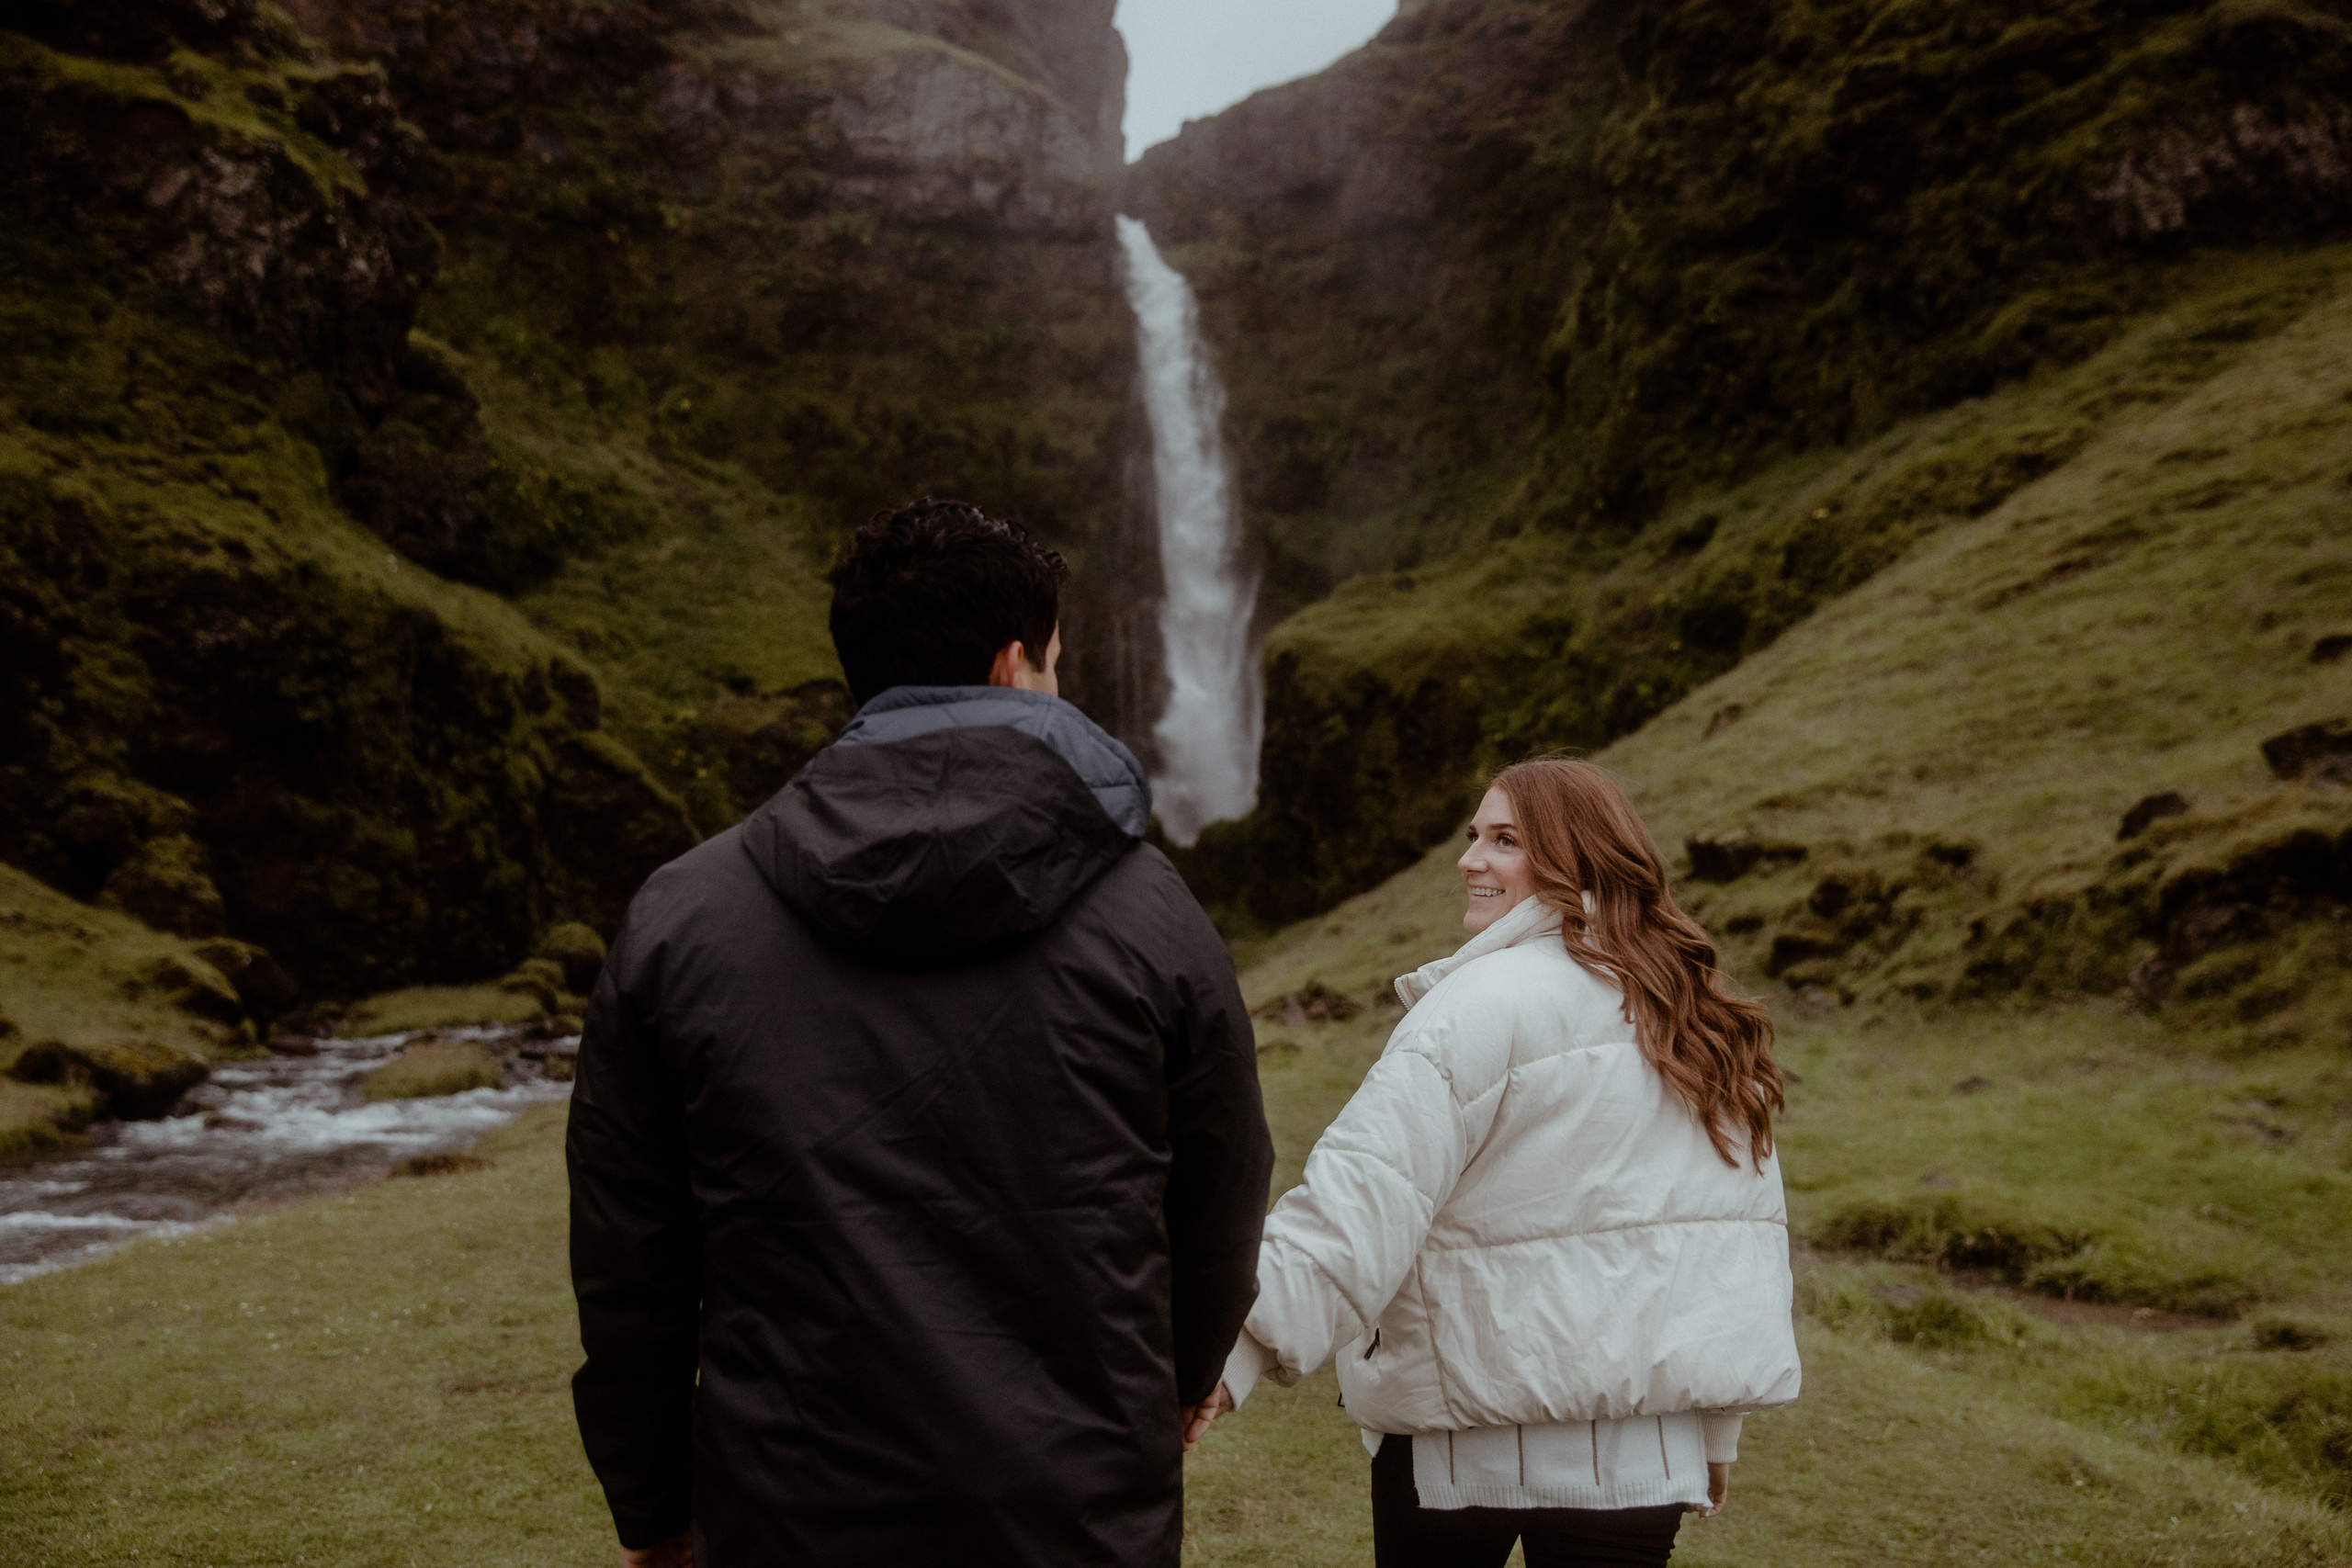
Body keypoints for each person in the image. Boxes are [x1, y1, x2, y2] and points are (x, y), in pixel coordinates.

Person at [567, 498, 1274, 1567]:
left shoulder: (683, 915)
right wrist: (1172, 1385)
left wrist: (654, 1508)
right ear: (1011, 664)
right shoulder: (1152, 913)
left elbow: (630, 1260)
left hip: (785, 1513)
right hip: (1078, 1512)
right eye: (1052, 662)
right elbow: (1221, 1190)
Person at [1196, 757, 1801, 1567]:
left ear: (1575, 859)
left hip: (1459, 1447)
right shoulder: (1691, 1016)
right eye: (1474, 835)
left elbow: (1362, 1201)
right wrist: (1710, 1433)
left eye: (1505, 839)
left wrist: (1229, 1354)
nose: (1470, 858)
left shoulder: (1473, 1007)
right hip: (1640, 1459)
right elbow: (1724, 1255)